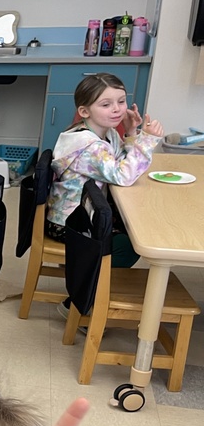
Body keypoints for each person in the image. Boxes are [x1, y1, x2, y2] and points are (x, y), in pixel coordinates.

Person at [47, 72, 164, 274]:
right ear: (84, 111)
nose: (117, 109)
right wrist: (147, 140)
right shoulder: (89, 145)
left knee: (136, 228)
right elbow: (123, 176)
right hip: (69, 223)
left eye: (121, 101)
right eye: (106, 104)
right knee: (129, 245)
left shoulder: (106, 133)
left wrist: (131, 132)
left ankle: (85, 274)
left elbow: (121, 162)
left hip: (82, 214)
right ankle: (86, 283)